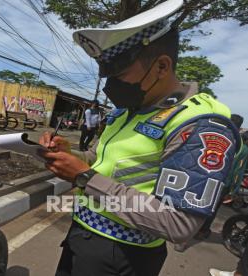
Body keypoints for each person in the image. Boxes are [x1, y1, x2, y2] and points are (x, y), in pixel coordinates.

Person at [38, 0, 240, 275]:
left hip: (124, 256)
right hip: (82, 236)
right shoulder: (126, 112)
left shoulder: (200, 125)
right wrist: (71, 155)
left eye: (119, 75)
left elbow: (179, 223)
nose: (111, 86)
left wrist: (85, 178)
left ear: (161, 66)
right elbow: (100, 160)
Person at [209, 131, 248, 276]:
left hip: (212, 178)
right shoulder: (244, 150)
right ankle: (202, 231)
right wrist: (233, 189)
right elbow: (238, 171)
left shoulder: (225, 139)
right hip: (224, 183)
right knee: (212, 209)